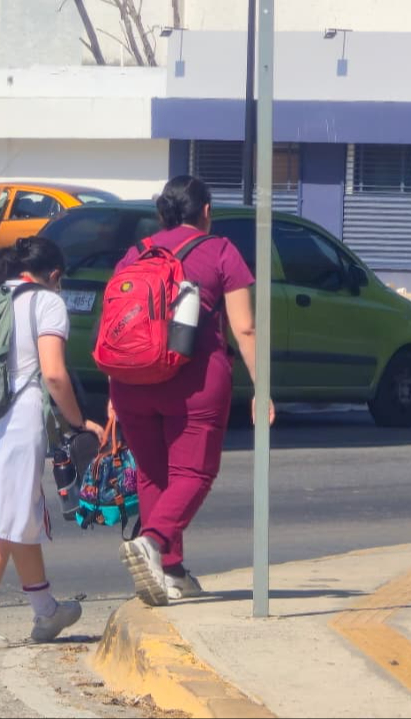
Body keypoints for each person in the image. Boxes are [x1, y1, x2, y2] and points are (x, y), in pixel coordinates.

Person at [109, 176, 275, 606]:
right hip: (194, 378)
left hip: (130, 379)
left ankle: (171, 570)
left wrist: (113, 394)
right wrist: (263, 386)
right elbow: (245, 327)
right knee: (194, 473)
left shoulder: (136, 252)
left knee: (153, 474)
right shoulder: (220, 250)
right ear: (205, 211)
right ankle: (153, 542)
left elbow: (121, 322)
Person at [0, 236, 105, 649]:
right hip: (17, 421)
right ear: (53, 275)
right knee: (3, 521)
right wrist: (79, 421)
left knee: (21, 513)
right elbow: (53, 374)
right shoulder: (47, 303)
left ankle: (46, 611)